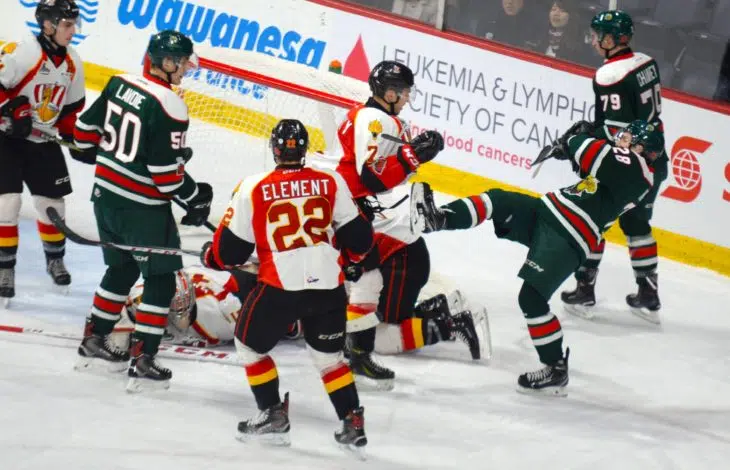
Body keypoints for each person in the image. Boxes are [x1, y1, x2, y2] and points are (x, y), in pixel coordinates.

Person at [413, 119, 664, 395]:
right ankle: (439, 218)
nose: (620, 140)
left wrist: (572, 140)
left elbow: (589, 151)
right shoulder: (628, 168)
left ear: (641, 149)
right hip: (549, 212)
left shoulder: (638, 169)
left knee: (531, 299)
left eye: (627, 139)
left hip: (567, 235)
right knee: (498, 200)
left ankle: (555, 368)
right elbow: (590, 167)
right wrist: (571, 152)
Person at [201, 119, 374, 449]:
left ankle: (272, 413)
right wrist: (350, 258)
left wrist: (211, 256)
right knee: (329, 359)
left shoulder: (253, 186)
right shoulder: (331, 180)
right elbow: (361, 239)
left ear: (275, 149)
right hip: (328, 287)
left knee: (249, 346)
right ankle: (352, 421)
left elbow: (230, 253)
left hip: (280, 288)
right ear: (305, 149)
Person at [71, 30, 214, 392]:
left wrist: (97, 151)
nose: (186, 70)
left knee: (121, 269)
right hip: (142, 209)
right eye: (182, 63)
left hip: (105, 198)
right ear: (166, 62)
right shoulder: (170, 104)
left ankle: (94, 339)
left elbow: (83, 134)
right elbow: (165, 179)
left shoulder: (118, 83)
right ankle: (144, 357)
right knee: (161, 280)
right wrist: (195, 195)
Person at [331, 60, 483, 391]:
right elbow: (373, 177)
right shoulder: (375, 120)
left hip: (400, 255)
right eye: (405, 92)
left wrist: (412, 154)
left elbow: (374, 178)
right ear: (389, 93)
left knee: (381, 334)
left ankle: (449, 323)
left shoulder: (369, 117)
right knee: (362, 297)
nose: (407, 98)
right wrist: (412, 155)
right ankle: (437, 312)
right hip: (395, 246)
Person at [561, 10, 669, 324]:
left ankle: (585, 290)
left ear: (611, 39)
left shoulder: (610, 75)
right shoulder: (646, 62)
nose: (594, 40)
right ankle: (648, 294)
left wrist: (586, 140)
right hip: (655, 158)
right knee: (637, 224)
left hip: (627, 165)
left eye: (599, 35)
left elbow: (618, 132)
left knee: (593, 220)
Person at [0, 0, 86, 306]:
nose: (72, 31)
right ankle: (5, 267)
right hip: (7, 139)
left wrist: (75, 136)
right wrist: (11, 109)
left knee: (53, 205)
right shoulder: (24, 51)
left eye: (74, 24)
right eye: (67, 25)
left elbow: (71, 109)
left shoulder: (73, 62)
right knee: (7, 204)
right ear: (48, 25)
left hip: (43, 140)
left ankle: (55, 260)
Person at [110, 265, 304, 350]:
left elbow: (254, 334)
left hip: (235, 290)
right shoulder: (146, 291)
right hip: (217, 280)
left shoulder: (219, 317)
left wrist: (286, 322)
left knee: (282, 320)